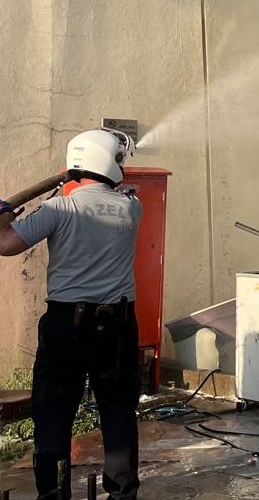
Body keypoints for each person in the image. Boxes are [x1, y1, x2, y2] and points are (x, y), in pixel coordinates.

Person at [0, 128, 142, 500]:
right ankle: (122, 492)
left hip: (67, 326)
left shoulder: (58, 209)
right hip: (119, 326)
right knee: (118, 410)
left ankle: (52, 492)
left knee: (54, 412)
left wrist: (2, 216)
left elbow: (6, 245)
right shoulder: (131, 206)